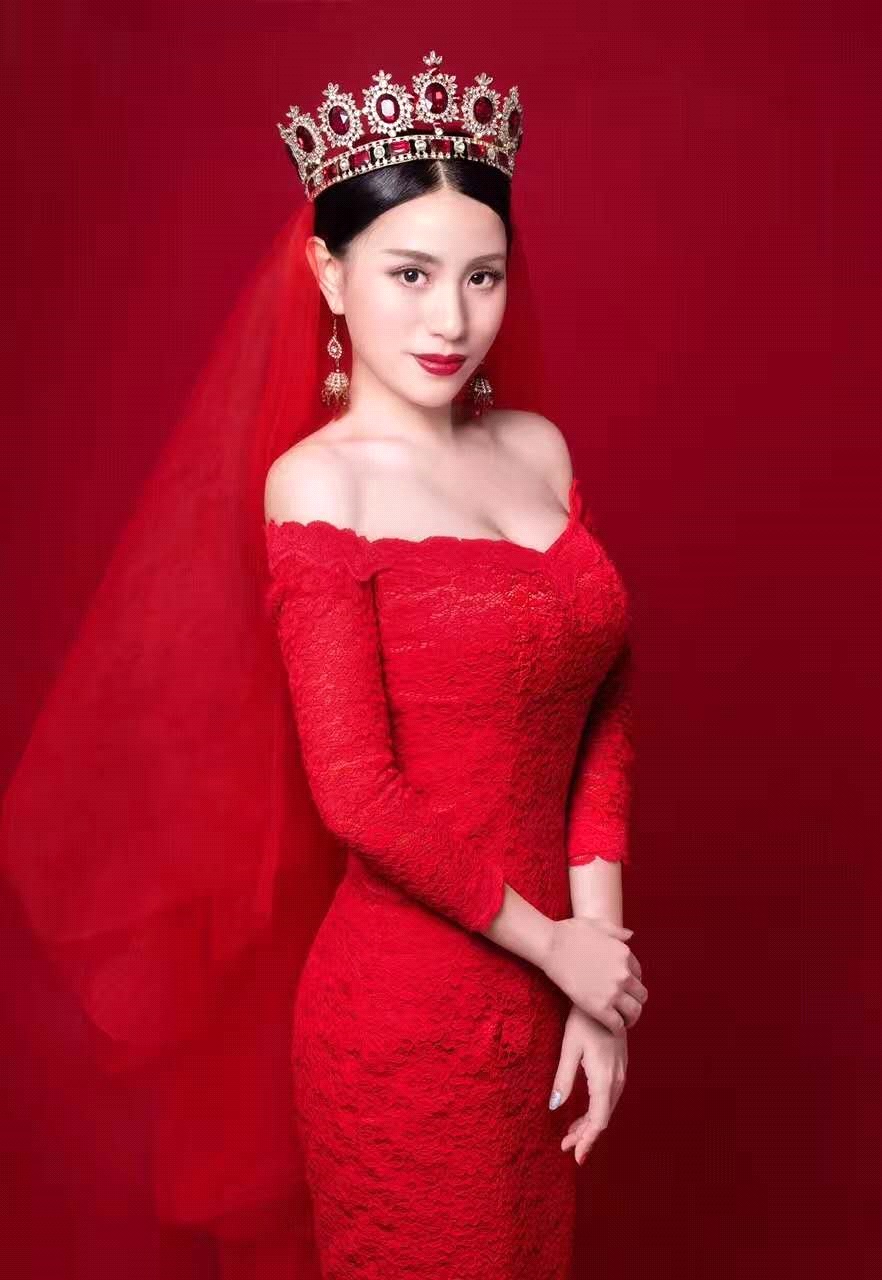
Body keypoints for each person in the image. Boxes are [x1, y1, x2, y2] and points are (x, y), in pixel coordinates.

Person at [2, 51, 646, 1280]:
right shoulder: (318, 484)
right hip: (405, 1012)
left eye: (482, 275)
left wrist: (598, 968)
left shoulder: (540, 448)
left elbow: (601, 696)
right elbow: (356, 790)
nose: (451, 319)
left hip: (551, 993)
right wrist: (556, 943)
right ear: (328, 273)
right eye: (410, 274)